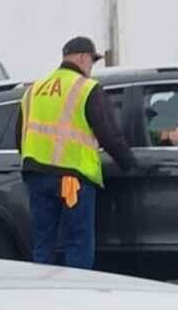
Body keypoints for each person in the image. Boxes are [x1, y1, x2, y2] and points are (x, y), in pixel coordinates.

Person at [12, 36, 141, 270]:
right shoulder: (85, 88)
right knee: (78, 244)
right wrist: (130, 165)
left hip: (35, 176)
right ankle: (77, 297)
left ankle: (44, 294)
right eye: (91, 61)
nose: (91, 68)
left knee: (43, 245)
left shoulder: (33, 89)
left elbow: (20, 136)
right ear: (83, 57)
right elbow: (109, 135)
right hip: (71, 179)